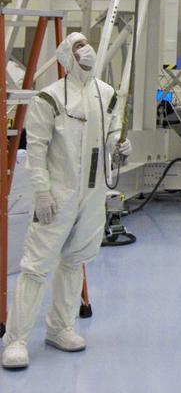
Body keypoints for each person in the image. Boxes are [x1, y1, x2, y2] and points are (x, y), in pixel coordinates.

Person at [1, 32, 131, 371]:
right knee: (35, 266)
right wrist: (41, 191)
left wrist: (119, 147)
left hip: (93, 193)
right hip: (57, 195)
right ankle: (15, 340)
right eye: (77, 46)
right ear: (65, 56)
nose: (86, 50)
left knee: (75, 261)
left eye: (86, 43)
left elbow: (110, 135)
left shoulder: (106, 94)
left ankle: (60, 328)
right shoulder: (50, 97)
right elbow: (37, 149)